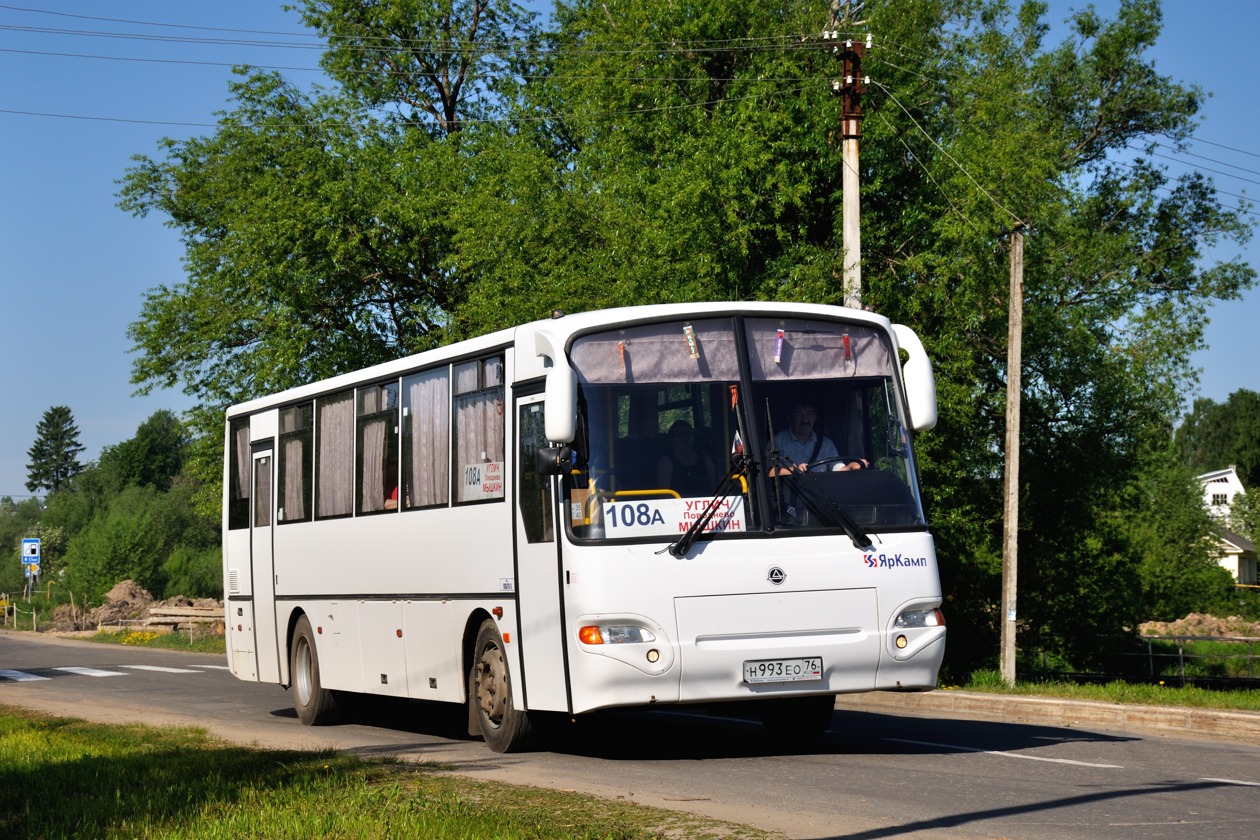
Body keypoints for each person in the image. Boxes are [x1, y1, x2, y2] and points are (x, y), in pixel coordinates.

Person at [772, 402, 868, 473]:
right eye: (799, 414)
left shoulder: (826, 444)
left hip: (821, 498)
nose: (805, 419)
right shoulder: (778, 442)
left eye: (809, 414)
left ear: (815, 417)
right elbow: (771, 472)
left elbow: (837, 468)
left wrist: (851, 466)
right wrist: (794, 470)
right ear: (790, 418)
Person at [657, 420, 718, 497]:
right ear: (671, 440)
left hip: (706, 506)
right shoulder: (666, 461)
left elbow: (715, 492)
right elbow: (664, 495)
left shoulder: (706, 460)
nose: (685, 437)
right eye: (679, 434)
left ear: (693, 437)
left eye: (688, 433)